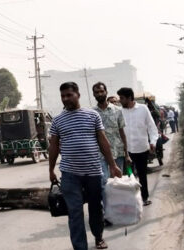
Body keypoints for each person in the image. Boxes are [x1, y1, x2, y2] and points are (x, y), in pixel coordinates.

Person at [49, 82, 122, 250]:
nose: (65, 99)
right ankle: (80, 247)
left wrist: (112, 165)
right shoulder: (58, 120)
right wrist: (51, 169)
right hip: (69, 174)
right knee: (75, 213)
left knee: (96, 208)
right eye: (63, 96)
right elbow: (53, 146)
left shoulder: (92, 116)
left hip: (93, 172)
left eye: (69, 95)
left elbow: (103, 141)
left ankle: (98, 237)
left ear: (78, 95)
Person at [92, 82, 130, 219]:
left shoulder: (117, 110)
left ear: (106, 92)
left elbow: (122, 133)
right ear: (94, 95)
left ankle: (119, 210)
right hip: (100, 155)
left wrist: (127, 154)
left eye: (101, 91)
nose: (99, 94)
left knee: (117, 184)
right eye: (96, 92)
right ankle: (107, 214)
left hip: (117, 153)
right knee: (103, 184)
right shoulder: (92, 113)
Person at [117, 87, 158, 206]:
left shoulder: (143, 109)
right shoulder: (120, 111)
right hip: (126, 151)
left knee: (142, 174)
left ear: (129, 98)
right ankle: (133, 200)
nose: (120, 101)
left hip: (141, 149)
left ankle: (144, 198)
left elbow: (151, 127)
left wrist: (153, 142)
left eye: (122, 98)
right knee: (129, 176)